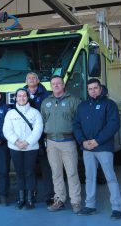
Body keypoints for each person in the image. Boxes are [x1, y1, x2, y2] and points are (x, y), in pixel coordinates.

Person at [73, 78, 121, 220]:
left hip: (103, 147)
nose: (93, 91)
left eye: (95, 88)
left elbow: (113, 125)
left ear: (100, 89)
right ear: (87, 90)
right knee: (89, 178)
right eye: (90, 89)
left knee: (110, 177)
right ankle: (90, 206)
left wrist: (97, 141)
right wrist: (82, 141)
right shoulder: (82, 106)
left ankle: (116, 208)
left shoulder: (109, 104)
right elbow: (76, 125)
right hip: (87, 148)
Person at [41, 76, 81, 213]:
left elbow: (79, 120)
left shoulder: (73, 100)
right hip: (51, 143)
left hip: (68, 142)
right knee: (56, 173)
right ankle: (59, 199)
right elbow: (43, 120)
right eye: (53, 84)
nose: (56, 85)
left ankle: (76, 202)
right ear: (50, 86)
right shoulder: (46, 102)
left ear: (63, 85)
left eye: (59, 83)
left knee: (72, 173)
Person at [3, 88, 43, 210]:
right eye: (19, 96)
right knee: (19, 173)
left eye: (24, 96)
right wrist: (17, 142)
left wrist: (27, 142)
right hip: (15, 148)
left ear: (28, 97)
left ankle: (30, 199)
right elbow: (7, 130)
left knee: (30, 172)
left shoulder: (35, 113)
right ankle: (21, 198)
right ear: (16, 98)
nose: (21, 98)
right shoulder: (10, 113)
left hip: (31, 148)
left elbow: (38, 130)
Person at [24, 72, 54, 205]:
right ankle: (32, 195)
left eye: (33, 78)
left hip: (43, 138)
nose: (31, 80)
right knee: (29, 169)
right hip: (27, 140)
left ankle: (49, 196)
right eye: (29, 78)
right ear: (26, 81)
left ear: (38, 80)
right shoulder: (21, 94)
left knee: (46, 169)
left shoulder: (47, 95)